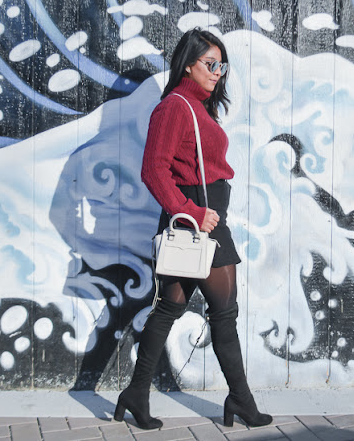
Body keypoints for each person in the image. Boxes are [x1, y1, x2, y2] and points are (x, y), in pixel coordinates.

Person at [113, 28, 273, 430]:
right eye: (210, 64)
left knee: (171, 307)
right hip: (198, 222)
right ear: (188, 64)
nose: (218, 72)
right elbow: (153, 170)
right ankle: (240, 401)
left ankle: (136, 393)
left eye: (222, 66)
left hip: (204, 219)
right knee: (224, 313)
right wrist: (191, 212)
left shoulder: (198, 107)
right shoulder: (175, 107)